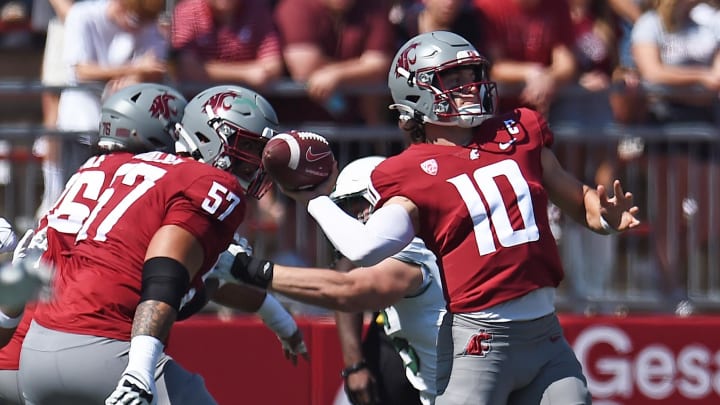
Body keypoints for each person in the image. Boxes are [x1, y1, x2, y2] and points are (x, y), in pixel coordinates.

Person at [255, 31, 641, 404]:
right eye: (453, 79)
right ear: (416, 91)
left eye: (472, 76)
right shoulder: (408, 170)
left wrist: (603, 217)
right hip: (479, 341)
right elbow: (366, 247)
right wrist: (316, 200)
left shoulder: (518, 132)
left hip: (546, 335)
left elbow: (577, 198)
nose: (471, 87)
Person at [16, 84, 281, 405]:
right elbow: (166, 277)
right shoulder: (204, 182)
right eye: (247, 149)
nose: (253, 164)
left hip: (31, 353)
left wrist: (281, 320)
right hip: (104, 347)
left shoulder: (95, 170)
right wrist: (140, 371)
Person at [222, 155, 446, 405]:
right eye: (345, 210)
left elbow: (349, 290)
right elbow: (346, 277)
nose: (350, 218)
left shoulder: (416, 252)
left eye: (356, 207)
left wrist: (247, 267)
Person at [52, 0, 168, 207]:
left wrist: (135, 78)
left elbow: (153, 69)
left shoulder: (149, 24)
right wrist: (133, 70)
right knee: (73, 201)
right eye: (135, 19)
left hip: (126, 137)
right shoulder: (82, 15)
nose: (139, 27)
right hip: (82, 130)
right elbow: (80, 70)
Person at [273, 0, 396, 126]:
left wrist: (337, 75)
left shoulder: (373, 7)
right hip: (300, 130)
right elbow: (305, 68)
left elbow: (379, 66)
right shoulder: (296, 6)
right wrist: (361, 69)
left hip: (357, 130)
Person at [473, 0, 577, 116]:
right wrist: (532, 73)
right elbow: (494, 66)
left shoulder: (557, 5)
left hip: (545, 108)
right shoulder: (487, 6)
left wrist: (546, 78)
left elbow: (566, 65)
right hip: (499, 110)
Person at [171, 0, 284, 89]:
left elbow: (273, 66)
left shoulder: (257, 9)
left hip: (248, 104)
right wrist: (245, 74)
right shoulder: (186, 11)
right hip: (196, 103)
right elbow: (187, 68)